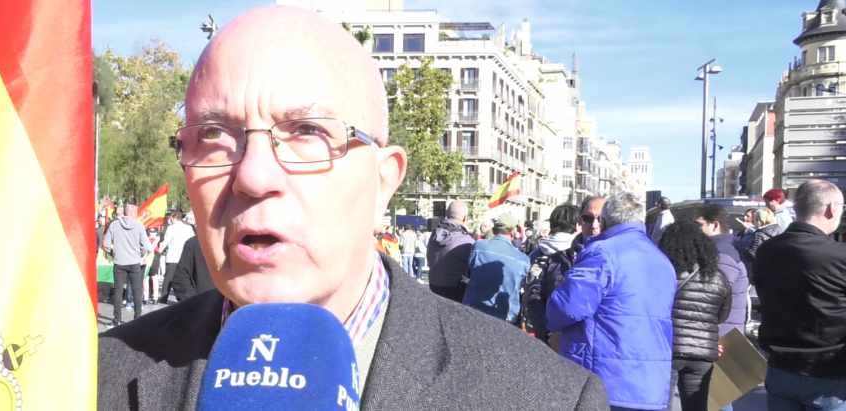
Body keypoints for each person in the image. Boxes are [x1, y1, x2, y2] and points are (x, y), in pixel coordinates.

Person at [98, 7, 607, 410]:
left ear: (384, 181)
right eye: (214, 136)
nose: (252, 176)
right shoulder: (93, 379)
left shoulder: (548, 398)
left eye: (306, 133)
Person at [547, 191, 676, 411]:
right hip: (652, 385)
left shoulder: (603, 252)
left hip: (607, 380)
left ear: (606, 220)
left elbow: (567, 306)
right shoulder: (661, 260)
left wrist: (550, 317)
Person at [755, 179, 846, 409]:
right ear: (831, 209)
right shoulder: (841, 256)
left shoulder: (766, 251)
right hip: (830, 373)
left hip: (780, 368)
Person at [658, 220, 731, 411]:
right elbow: (722, 315)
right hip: (702, 354)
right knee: (697, 407)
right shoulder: (718, 277)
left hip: (668, 349)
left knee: (660, 405)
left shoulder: (665, 273)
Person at [523, 204, 580, 342]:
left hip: (540, 325)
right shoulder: (578, 252)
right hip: (570, 327)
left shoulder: (538, 252)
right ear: (577, 225)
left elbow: (529, 288)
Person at [694, 204, 750, 338]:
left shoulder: (722, 254)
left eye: (699, 225)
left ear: (714, 225)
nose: (694, 230)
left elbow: (710, 296)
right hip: (718, 333)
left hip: (721, 336)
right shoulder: (718, 250)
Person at [463, 217, 531, 323]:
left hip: (473, 311)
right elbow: (523, 286)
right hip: (505, 317)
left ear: (494, 230)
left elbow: (468, 273)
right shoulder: (523, 259)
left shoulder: (479, 246)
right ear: (513, 232)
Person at [102, 204, 153, 326]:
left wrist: (113, 253)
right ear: (134, 213)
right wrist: (140, 254)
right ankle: (137, 319)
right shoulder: (139, 226)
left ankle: (117, 319)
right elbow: (147, 247)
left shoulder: (114, 225)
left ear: (124, 212)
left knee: (118, 292)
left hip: (119, 263)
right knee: (137, 291)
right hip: (135, 263)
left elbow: (106, 244)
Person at [427, 200, 475, 302]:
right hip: (454, 293)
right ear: (465, 218)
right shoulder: (466, 241)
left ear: (447, 214)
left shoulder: (434, 235)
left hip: (433, 287)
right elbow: (473, 270)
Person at [157, 211, 194, 303]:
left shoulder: (171, 228)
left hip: (173, 257)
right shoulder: (189, 228)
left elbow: (166, 241)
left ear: (174, 218)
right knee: (183, 278)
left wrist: (159, 250)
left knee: (168, 278)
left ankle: (163, 297)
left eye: (171, 218)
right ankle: (182, 298)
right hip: (184, 257)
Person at [167, 236, 213, 302]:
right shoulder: (194, 243)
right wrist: (193, 302)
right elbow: (180, 278)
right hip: (201, 304)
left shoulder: (230, 245)